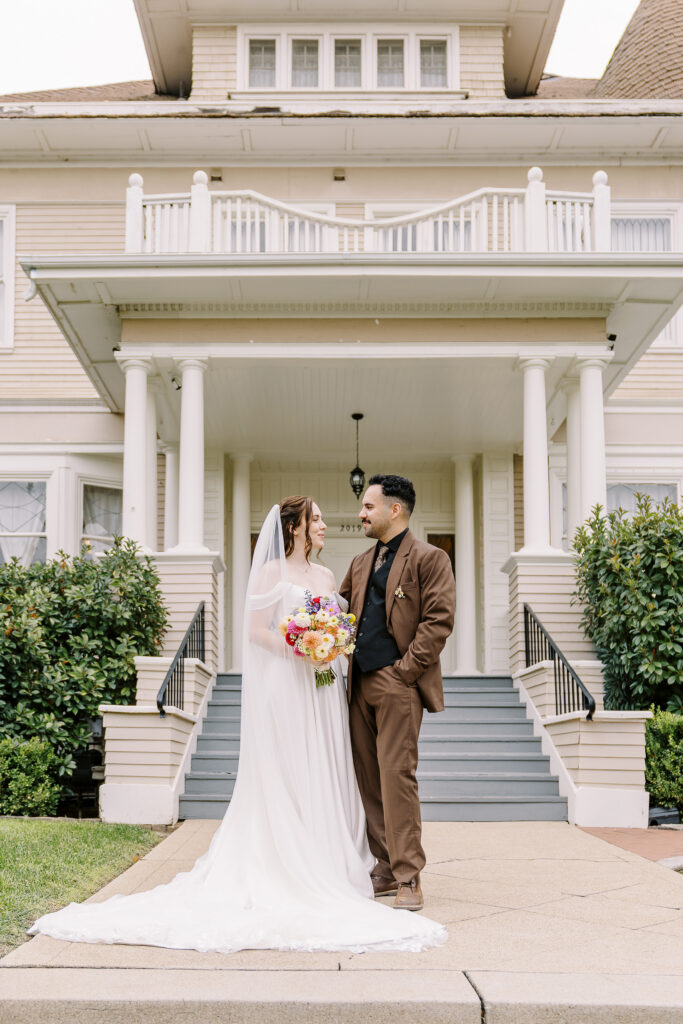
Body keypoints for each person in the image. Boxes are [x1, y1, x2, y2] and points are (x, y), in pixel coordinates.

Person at [28, 496, 446, 953]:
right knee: (303, 771)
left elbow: (354, 622)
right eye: (317, 518)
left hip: (328, 689)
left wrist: (337, 646)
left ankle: (374, 866)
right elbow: (257, 630)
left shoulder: (334, 575)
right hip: (292, 684)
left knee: (338, 771)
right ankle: (306, 861)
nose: (329, 523)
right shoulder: (279, 572)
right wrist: (303, 646)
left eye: (358, 508)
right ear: (294, 528)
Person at [340, 475, 456, 912]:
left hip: (397, 684)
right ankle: (385, 866)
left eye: (368, 506)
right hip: (357, 686)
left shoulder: (431, 558)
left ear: (395, 509)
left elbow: (439, 620)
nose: (361, 514)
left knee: (397, 778)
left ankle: (409, 875)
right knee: (369, 780)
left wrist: (405, 671)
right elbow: (340, 612)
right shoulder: (359, 561)